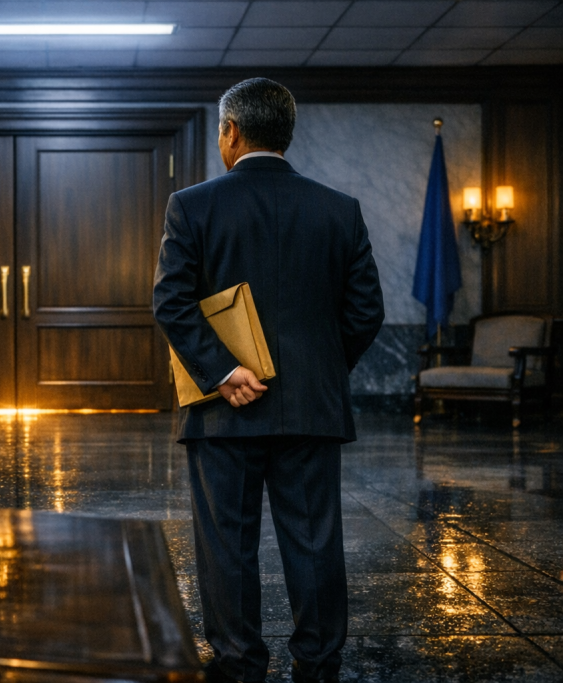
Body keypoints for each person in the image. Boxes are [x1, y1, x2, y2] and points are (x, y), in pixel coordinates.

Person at [152, 78, 384, 683]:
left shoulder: (192, 205)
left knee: (227, 546)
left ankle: (239, 665)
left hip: (221, 411)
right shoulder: (340, 209)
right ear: (286, 134)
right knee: (314, 544)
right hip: (311, 409)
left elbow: (172, 303)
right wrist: (316, 373)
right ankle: (319, 666)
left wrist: (226, 372)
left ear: (230, 132)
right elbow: (365, 312)